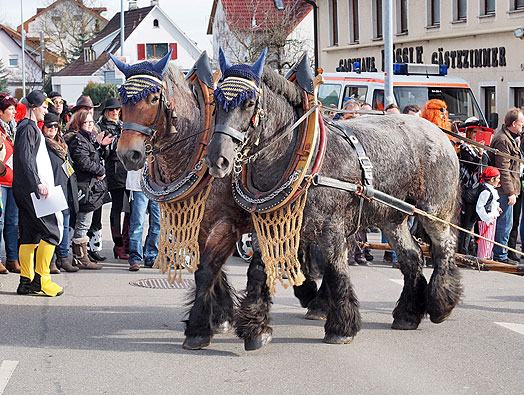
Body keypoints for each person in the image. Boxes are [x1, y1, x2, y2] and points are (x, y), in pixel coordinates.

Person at [12, 90, 63, 296]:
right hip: (33, 190)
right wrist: (37, 183)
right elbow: (25, 159)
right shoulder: (28, 128)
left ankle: (26, 281)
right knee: (52, 232)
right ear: (33, 107)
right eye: (43, 106)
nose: (46, 109)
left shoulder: (28, 127)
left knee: (29, 235)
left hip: (26, 189)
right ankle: (42, 280)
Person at [66, 109, 111, 270]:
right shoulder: (78, 139)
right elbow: (83, 162)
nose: (91, 125)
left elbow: (92, 156)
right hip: (85, 188)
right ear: (79, 124)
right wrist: (100, 171)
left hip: (91, 188)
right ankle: (80, 258)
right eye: (87, 122)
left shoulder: (87, 138)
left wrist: (99, 145)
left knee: (85, 223)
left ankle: (82, 257)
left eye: (92, 122)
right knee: (83, 224)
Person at [42, 113, 79, 273]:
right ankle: (50, 261)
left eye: (55, 126)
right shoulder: (41, 144)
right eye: (49, 126)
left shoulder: (61, 143)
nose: (52, 129)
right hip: (51, 191)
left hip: (65, 190)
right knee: (51, 228)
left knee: (64, 226)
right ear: (43, 127)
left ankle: (63, 258)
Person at [97, 97, 130, 260]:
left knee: (131, 210)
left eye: (118, 110)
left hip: (130, 171)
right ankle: (118, 245)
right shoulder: (102, 127)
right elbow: (104, 152)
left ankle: (127, 242)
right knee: (117, 210)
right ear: (106, 112)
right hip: (115, 172)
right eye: (112, 110)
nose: (116, 112)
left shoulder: (123, 125)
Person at [490, 108, 524, 264]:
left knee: (508, 223)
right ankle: (500, 256)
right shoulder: (503, 139)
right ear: (514, 123)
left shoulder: (509, 137)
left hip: (510, 188)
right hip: (504, 190)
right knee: (505, 223)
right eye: (521, 124)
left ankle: (504, 253)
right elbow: (504, 170)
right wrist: (510, 192)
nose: (522, 127)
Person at [0, 93, 21, 274]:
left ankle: (12, 258)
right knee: (0, 222)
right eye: (9, 109)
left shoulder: (14, 128)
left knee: (13, 222)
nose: (14, 112)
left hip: (14, 181)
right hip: (0, 182)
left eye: (14, 108)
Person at [457, 125, 484, 254]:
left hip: (476, 187)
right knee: (466, 222)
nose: (476, 134)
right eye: (474, 132)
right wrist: (480, 153)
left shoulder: (476, 147)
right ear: (468, 133)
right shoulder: (464, 148)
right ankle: (462, 250)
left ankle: (467, 248)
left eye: (479, 132)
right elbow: (473, 166)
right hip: (467, 188)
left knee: (471, 222)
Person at [126, 169, 160, 271]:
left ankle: (151, 256)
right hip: (139, 185)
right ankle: (135, 258)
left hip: (159, 187)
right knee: (137, 223)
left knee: (157, 224)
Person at [476, 167, 502, 260]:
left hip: (492, 218)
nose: (499, 180)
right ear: (492, 179)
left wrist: (497, 208)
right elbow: (479, 207)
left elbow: (492, 202)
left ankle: (487, 256)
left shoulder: (491, 190)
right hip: (486, 220)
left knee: (490, 239)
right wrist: (486, 219)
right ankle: (482, 258)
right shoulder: (486, 191)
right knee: (485, 240)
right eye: (498, 178)